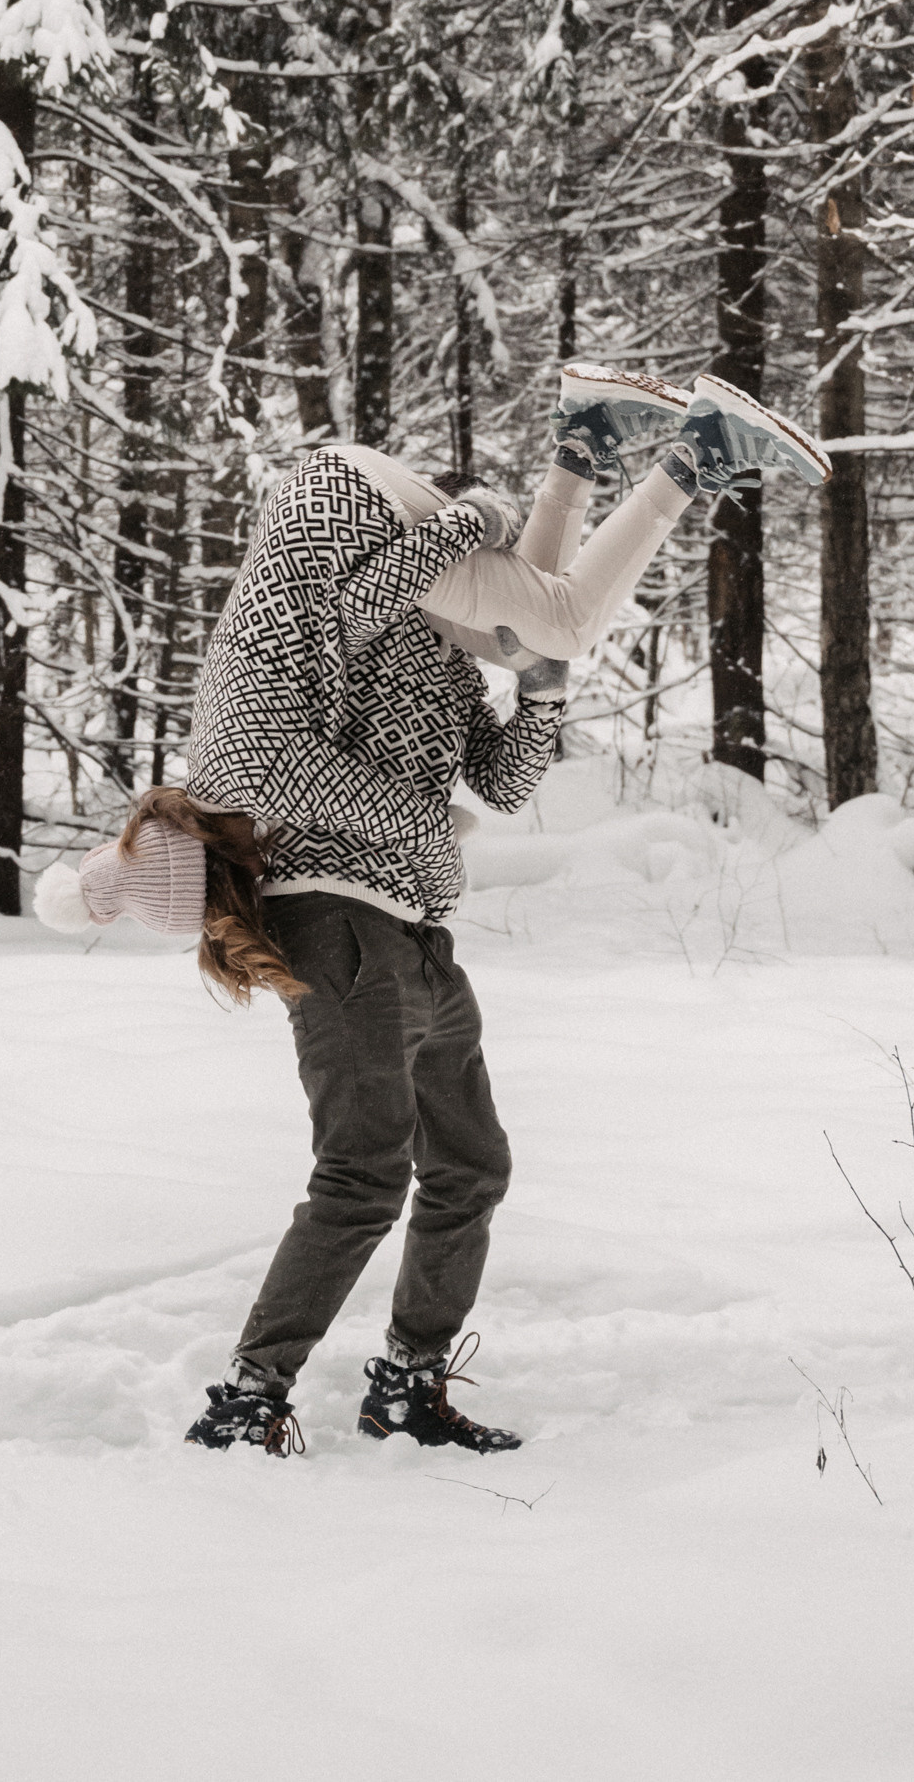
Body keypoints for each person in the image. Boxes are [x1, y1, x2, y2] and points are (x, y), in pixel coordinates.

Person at [169, 359, 826, 1458]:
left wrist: (530, 686)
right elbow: (477, 774)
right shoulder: (342, 689)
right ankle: (256, 1397)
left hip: (412, 927)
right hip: (348, 928)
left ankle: (397, 1384)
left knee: (456, 1168)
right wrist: (525, 697)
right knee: (384, 1171)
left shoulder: (372, 649)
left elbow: (488, 777)